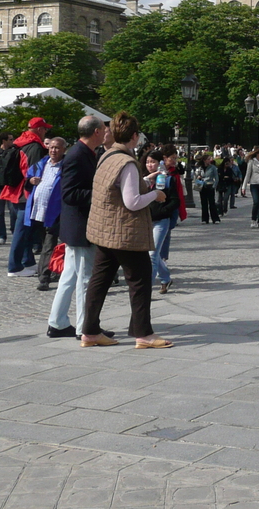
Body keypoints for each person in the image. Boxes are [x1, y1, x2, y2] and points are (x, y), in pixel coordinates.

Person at [80, 111, 170, 349]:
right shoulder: (127, 162)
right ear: (134, 136)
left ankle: (89, 331)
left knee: (99, 281)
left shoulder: (107, 156)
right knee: (140, 281)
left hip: (104, 230)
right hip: (125, 232)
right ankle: (143, 334)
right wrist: (155, 194)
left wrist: (145, 183)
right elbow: (132, 202)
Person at [47, 116, 111, 339]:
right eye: (104, 129)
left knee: (70, 276)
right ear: (95, 132)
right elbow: (70, 194)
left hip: (77, 226)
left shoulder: (84, 153)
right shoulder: (77, 154)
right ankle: (86, 327)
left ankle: (58, 322)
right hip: (80, 226)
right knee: (86, 278)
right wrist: (100, 194)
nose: (106, 133)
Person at [0, 117, 51, 277]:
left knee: (23, 230)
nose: (45, 132)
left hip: (14, 192)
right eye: (44, 129)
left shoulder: (19, 143)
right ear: (39, 130)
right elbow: (34, 171)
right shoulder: (35, 146)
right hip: (26, 194)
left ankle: (27, 263)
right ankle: (14, 267)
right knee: (22, 231)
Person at [24, 137, 67, 292]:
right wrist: (30, 181)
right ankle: (53, 271)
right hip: (38, 211)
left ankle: (44, 278)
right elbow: (27, 181)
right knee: (46, 244)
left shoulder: (66, 167)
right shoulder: (41, 164)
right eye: (51, 147)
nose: (53, 150)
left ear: (63, 150)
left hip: (56, 212)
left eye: (57, 148)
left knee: (50, 244)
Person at [144, 149, 181, 293]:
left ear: (160, 163)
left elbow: (175, 201)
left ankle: (146, 290)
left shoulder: (167, 179)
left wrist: (164, 210)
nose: (150, 165)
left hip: (161, 221)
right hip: (146, 221)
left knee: (152, 254)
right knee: (154, 254)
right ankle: (165, 278)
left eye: (152, 162)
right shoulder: (144, 180)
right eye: (147, 162)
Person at [199, 154, 220, 223]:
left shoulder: (213, 167)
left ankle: (215, 219)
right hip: (202, 186)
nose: (209, 160)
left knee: (212, 203)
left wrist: (214, 186)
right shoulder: (200, 168)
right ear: (204, 160)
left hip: (210, 185)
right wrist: (198, 177)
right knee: (204, 203)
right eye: (208, 159)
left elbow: (216, 178)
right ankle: (205, 219)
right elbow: (196, 176)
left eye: (210, 159)